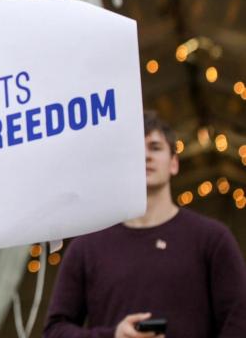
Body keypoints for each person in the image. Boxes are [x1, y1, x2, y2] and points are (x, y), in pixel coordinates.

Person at [43, 111, 246, 338]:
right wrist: (113, 336)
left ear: (174, 163)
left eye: (155, 147)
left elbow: (238, 321)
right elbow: (54, 331)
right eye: (134, 150)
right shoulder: (86, 248)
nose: (145, 156)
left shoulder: (213, 240)